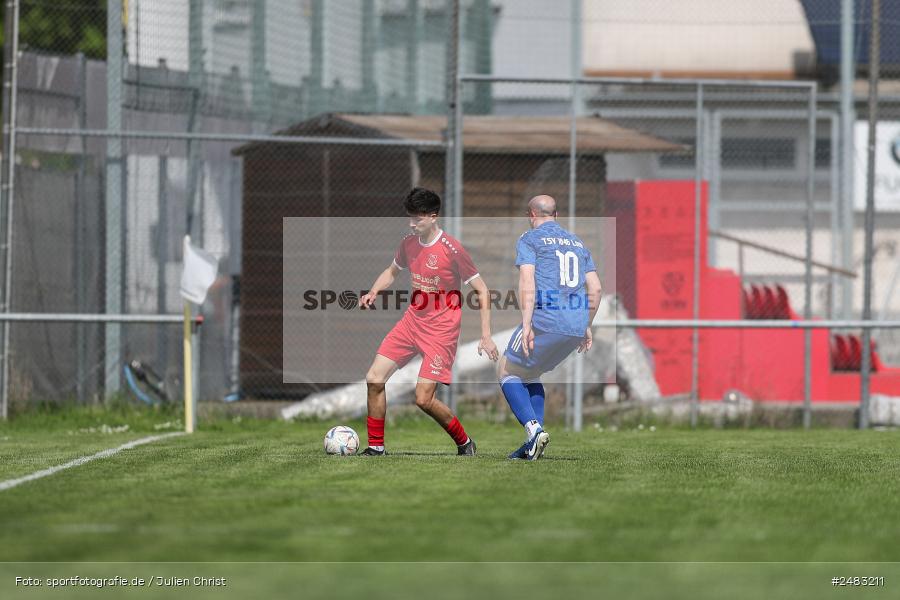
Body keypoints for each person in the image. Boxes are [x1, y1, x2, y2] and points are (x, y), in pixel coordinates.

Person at [360, 188, 499, 456]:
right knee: (374, 379)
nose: (412, 224)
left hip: (441, 333)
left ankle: (465, 443)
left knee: (423, 399)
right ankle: (376, 448)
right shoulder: (408, 244)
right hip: (411, 324)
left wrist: (486, 335)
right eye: (409, 218)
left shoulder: (453, 249)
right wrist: (373, 292)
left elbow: (482, 290)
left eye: (418, 219)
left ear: (433, 216)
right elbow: (391, 272)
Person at [498, 195, 603, 460]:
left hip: (547, 321)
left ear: (531, 215)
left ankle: (533, 431)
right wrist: (586, 325)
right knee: (531, 373)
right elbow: (596, 288)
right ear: (556, 216)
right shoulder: (577, 243)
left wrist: (527, 324)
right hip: (575, 326)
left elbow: (526, 281)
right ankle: (535, 443)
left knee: (506, 369)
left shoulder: (529, 239)